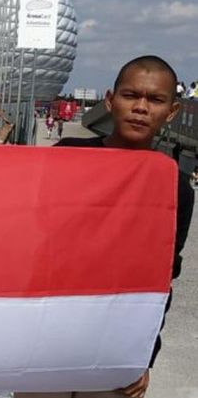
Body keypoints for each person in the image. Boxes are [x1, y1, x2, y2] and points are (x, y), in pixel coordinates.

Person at [16, 55, 193, 398]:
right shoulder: (68, 158)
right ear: (110, 100)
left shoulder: (174, 185)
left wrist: (144, 355)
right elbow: (30, 241)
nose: (141, 108)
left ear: (171, 111)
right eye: (131, 95)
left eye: (155, 100)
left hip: (114, 349)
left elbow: (162, 279)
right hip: (48, 338)